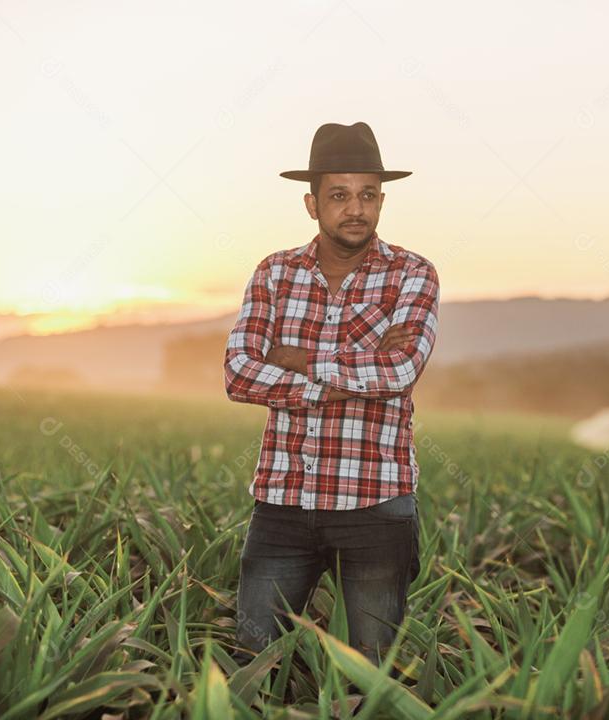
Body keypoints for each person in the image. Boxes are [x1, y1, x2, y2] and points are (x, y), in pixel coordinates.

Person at [223, 121, 440, 670]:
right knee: (254, 660)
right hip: (282, 504)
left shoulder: (412, 273)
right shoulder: (274, 273)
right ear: (311, 202)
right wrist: (357, 374)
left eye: (368, 194)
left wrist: (292, 358)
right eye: (339, 195)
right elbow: (239, 374)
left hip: (376, 505)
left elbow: (400, 371)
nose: (356, 209)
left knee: (370, 672)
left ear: (382, 200)